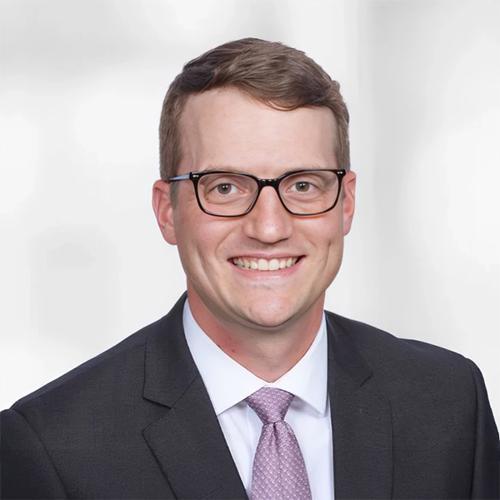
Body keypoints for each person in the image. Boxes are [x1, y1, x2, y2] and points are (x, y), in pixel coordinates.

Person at [1, 37, 498, 500]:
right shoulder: (53, 447)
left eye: (303, 185)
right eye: (225, 187)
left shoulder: (449, 404)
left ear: (346, 204)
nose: (269, 227)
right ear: (167, 211)